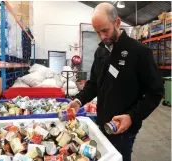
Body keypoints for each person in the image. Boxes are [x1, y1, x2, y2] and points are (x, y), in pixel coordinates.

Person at [68, 2, 163, 161]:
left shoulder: (139, 52)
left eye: (105, 30)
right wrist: (78, 100)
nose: (102, 37)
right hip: (102, 122)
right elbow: (93, 84)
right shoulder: (101, 51)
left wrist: (132, 116)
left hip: (123, 129)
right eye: (97, 32)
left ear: (117, 23)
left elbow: (155, 93)